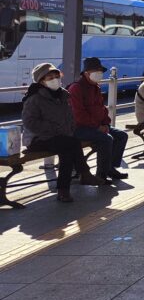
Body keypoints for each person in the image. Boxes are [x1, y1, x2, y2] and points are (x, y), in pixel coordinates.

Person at [22, 63, 106, 202]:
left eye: (56, 76)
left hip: (60, 138)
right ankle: (82, 175)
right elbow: (30, 122)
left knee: (67, 149)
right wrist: (56, 129)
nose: (55, 79)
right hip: (38, 139)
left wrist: (68, 130)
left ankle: (65, 190)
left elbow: (70, 117)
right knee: (71, 143)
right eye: (50, 77)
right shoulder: (34, 98)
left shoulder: (63, 95)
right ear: (41, 80)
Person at [68, 57, 129, 181]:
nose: (99, 74)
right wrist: (98, 127)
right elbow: (78, 115)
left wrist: (106, 123)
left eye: (100, 71)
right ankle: (101, 174)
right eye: (96, 71)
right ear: (86, 73)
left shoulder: (96, 87)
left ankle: (110, 168)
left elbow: (102, 109)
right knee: (106, 139)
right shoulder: (76, 88)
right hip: (79, 128)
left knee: (122, 135)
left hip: (96, 126)